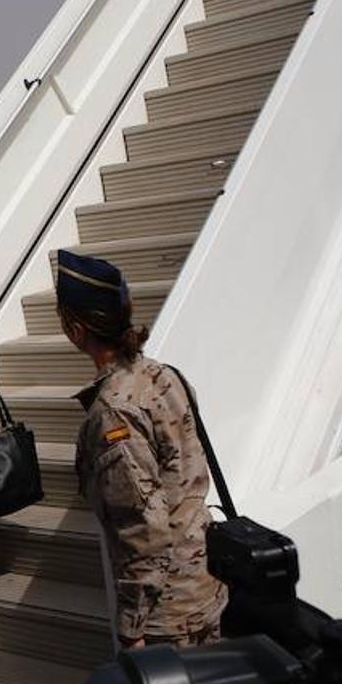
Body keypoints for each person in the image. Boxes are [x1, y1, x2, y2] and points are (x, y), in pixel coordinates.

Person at [56, 249, 226, 648]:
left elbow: (143, 531)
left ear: (76, 330)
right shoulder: (164, 374)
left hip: (169, 612)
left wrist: (131, 628)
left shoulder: (113, 412)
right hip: (204, 582)